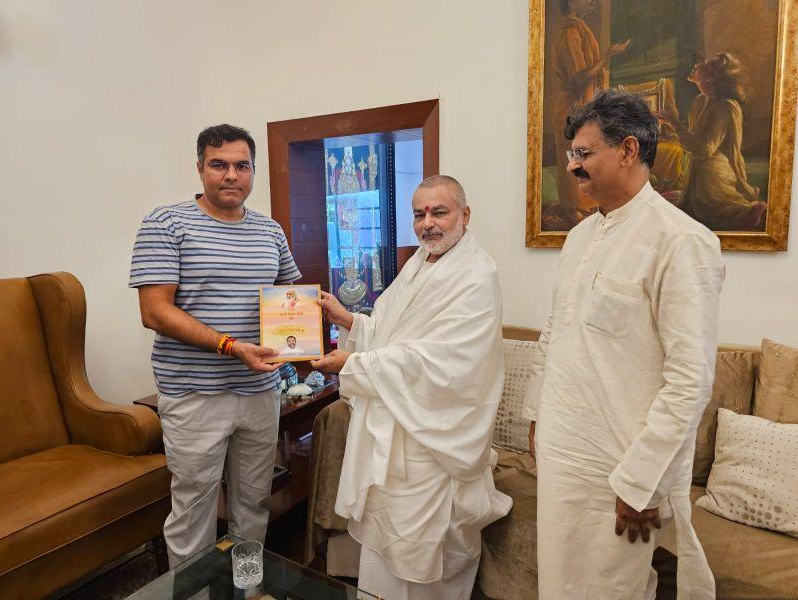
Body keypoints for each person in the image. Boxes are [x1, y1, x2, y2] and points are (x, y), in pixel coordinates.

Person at [524, 90, 724, 599]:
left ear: (629, 150)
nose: (572, 166)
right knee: (559, 586)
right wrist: (534, 416)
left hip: (618, 471)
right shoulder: (579, 238)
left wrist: (640, 483)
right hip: (562, 455)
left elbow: (689, 380)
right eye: (572, 154)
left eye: (584, 154)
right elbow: (555, 332)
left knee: (609, 590)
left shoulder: (681, 241)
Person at [310, 175, 511, 600]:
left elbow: (443, 361)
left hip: (432, 437)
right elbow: (391, 329)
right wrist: (350, 321)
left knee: (424, 558)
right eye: (419, 214)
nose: (427, 224)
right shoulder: (419, 263)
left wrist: (357, 363)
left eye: (439, 212)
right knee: (385, 551)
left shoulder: (476, 274)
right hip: (396, 423)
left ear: (464, 215)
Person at [129, 124, 301, 567]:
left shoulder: (270, 231)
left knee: (253, 507)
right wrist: (231, 346)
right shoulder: (165, 223)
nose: (231, 175)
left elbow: (290, 301)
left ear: (253, 171)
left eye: (242, 166)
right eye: (218, 164)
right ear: (200, 167)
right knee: (194, 514)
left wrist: (320, 321)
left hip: (260, 392)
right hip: (194, 396)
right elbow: (155, 310)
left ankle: (247, 586)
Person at [657, 52, 767, 230]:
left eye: (704, 65)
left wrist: (675, 125)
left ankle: (748, 211)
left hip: (713, 177)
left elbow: (704, 149)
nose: (697, 65)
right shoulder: (700, 101)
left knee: (713, 212)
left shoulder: (725, 107)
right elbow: (694, 139)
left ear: (711, 78)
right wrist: (674, 122)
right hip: (697, 173)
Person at [549, 0, 630, 228]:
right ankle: (575, 208)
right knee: (576, 161)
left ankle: (583, 207)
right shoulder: (569, 32)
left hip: (583, 111)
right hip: (571, 112)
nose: (593, 1)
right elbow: (578, 78)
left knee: (587, 159)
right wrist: (607, 55)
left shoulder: (580, 28)